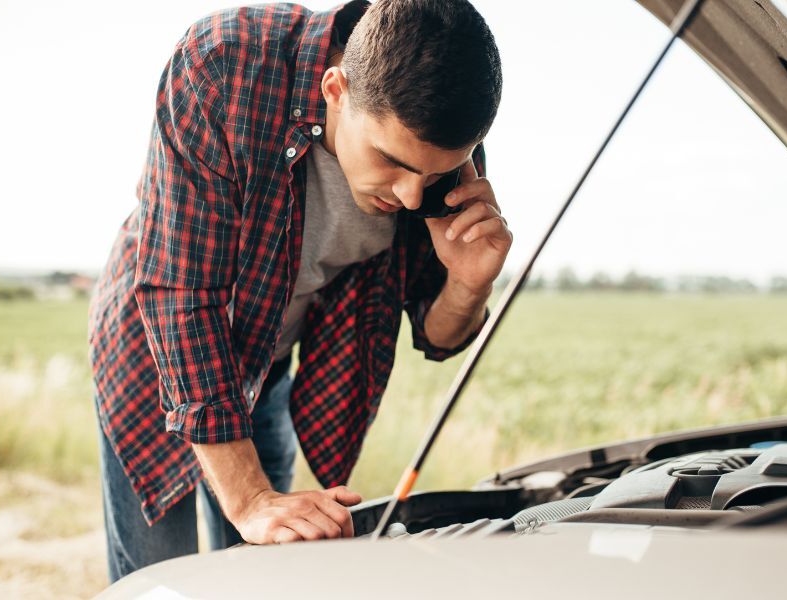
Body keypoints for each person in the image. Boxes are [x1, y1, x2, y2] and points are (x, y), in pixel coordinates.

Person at [88, 0, 509, 583]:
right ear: (335, 89)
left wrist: (468, 283)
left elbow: (437, 336)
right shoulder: (223, 64)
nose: (413, 197)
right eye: (390, 161)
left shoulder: (442, 144)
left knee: (262, 577)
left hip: (267, 369)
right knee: (162, 579)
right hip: (159, 359)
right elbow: (182, 294)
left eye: (432, 176)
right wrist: (249, 498)